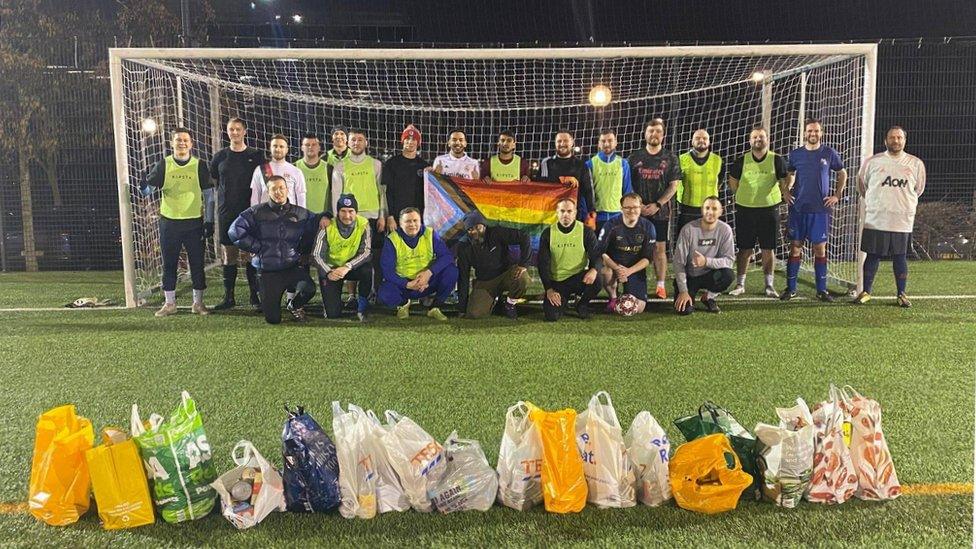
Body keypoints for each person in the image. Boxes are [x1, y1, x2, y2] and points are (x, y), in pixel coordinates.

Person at [141, 128, 213, 317]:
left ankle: (198, 303)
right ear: (172, 143)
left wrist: (209, 220)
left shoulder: (200, 165)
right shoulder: (164, 165)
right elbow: (147, 191)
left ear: (191, 144)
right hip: (169, 223)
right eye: (178, 140)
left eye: (185, 140)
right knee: (169, 264)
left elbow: (209, 195)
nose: (182, 143)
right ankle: (170, 303)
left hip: (194, 223)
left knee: (197, 264)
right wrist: (144, 184)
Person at [229, 175, 319, 324]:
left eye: (281, 188)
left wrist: (326, 217)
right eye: (274, 189)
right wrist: (257, 247)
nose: (278, 192)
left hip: (292, 267)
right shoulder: (256, 212)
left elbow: (317, 221)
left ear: (287, 189)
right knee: (273, 319)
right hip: (268, 271)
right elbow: (234, 231)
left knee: (309, 288)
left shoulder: (301, 213)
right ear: (268, 191)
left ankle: (294, 305)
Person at [853, 126, 926, 307]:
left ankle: (901, 293)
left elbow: (919, 190)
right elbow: (862, 186)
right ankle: (866, 291)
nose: (896, 141)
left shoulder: (915, 163)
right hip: (877, 219)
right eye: (892, 137)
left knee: (900, 257)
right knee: (873, 255)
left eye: (899, 137)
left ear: (904, 140)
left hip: (901, 220)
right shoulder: (873, 162)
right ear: (885, 140)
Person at [781, 119, 848, 302]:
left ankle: (821, 290)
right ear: (805, 133)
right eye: (810, 131)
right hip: (798, 209)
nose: (813, 134)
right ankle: (791, 289)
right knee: (795, 248)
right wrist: (785, 191)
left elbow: (842, 173)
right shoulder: (795, 155)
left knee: (820, 249)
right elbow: (788, 174)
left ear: (821, 133)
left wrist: (837, 195)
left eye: (816, 131)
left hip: (820, 210)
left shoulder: (828, 153)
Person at [209, 118, 266, 311]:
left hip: (250, 213)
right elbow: (215, 181)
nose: (234, 132)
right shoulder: (219, 157)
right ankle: (229, 297)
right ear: (227, 131)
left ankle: (254, 296)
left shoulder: (256, 156)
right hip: (226, 212)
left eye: (238, 129)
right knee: (228, 254)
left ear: (245, 131)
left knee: (251, 253)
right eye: (231, 129)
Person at [727, 125, 789, 298]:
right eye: (754, 137)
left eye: (761, 136)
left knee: (768, 248)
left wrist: (785, 190)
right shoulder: (741, 161)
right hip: (745, 210)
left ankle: (769, 285)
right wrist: (741, 195)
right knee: (744, 248)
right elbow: (733, 181)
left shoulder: (776, 160)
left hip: (769, 210)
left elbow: (786, 178)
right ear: (750, 140)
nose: (758, 139)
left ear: (767, 139)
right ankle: (740, 284)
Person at [628, 117, 683, 299]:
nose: (654, 134)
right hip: (637, 212)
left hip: (660, 212)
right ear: (645, 134)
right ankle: (636, 283)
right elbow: (629, 184)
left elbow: (673, 186)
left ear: (663, 135)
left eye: (658, 131)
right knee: (636, 247)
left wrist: (658, 204)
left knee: (660, 248)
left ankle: (660, 286)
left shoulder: (670, 158)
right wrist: (639, 205)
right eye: (651, 131)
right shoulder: (635, 157)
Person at [331, 129, 387, 297]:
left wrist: (382, 215)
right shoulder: (340, 166)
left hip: (373, 218)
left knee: (376, 258)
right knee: (351, 257)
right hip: (350, 220)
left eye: (360, 140)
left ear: (366, 143)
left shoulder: (376, 164)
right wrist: (337, 220)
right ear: (348, 143)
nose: (356, 143)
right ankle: (352, 296)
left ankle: (375, 292)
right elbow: (336, 194)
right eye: (353, 140)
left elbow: (382, 192)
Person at [378, 207, 458, 321]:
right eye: (408, 221)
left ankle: (435, 307)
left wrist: (429, 273)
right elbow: (387, 271)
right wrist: (407, 284)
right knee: (384, 293)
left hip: (427, 282)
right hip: (405, 285)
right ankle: (404, 304)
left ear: (421, 221)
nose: (412, 224)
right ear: (400, 224)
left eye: (415, 221)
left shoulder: (430, 234)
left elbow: (447, 256)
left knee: (452, 271)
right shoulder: (392, 239)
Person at [455, 210, 531, 319]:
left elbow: (524, 236)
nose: (474, 231)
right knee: (474, 314)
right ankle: (496, 302)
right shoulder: (464, 246)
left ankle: (509, 304)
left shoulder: (496, 232)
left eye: (478, 227)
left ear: (484, 226)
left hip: (505, 274)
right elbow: (463, 276)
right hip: (484, 281)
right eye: (470, 229)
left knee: (523, 279)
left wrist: (524, 264)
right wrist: (462, 308)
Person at [537, 198, 602, 321]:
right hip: (557, 283)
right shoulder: (548, 233)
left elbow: (597, 257)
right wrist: (549, 289)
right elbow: (542, 264)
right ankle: (563, 301)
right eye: (562, 211)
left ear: (575, 213)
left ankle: (582, 304)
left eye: (569, 211)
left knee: (598, 278)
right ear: (557, 212)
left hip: (578, 278)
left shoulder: (586, 231)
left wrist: (594, 269)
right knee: (552, 316)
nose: (565, 214)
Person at [313, 194, 373, 321]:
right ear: (337, 212)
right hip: (332, 269)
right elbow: (316, 255)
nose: (347, 216)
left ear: (356, 212)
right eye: (343, 211)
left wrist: (347, 266)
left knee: (367, 270)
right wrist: (328, 271)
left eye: (351, 211)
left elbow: (366, 252)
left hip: (351, 268)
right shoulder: (327, 225)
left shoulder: (363, 224)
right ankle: (334, 302)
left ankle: (362, 308)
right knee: (332, 314)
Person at [672, 196, 735, 314]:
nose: (710, 212)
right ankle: (687, 294)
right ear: (702, 210)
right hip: (689, 276)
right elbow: (678, 263)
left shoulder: (725, 230)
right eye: (707, 208)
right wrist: (683, 291)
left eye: (714, 209)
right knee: (685, 310)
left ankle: (709, 297)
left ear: (721, 211)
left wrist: (706, 261)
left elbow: (729, 261)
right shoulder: (688, 229)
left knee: (728, 275)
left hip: (709, 274)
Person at [598, 193, 656, 315]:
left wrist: (629, 271)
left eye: (635, 207)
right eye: (627, 207)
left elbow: (647, 258)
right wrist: (617, 268)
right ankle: (613, 297)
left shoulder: (648, 227)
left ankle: (626, 295)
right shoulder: (611, 225)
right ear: (621, 209)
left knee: (638, 308)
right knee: (605, 271)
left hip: (634, 268)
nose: (632, 210)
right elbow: (601, 252)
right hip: (613, 266)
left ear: (640, 207)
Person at [539, 130, 597, 228]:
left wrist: (592, 213)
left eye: (565, 141)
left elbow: (588, 191)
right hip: (550, 216)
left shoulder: (581, 165)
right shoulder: (546, 163)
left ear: (572, 142)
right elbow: (541, 187)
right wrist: (561, 180)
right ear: (555, 143)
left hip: (574, 216)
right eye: (559, 141)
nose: (562, 144)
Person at [383, 124, 430, 232]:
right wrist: (389, 216)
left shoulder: (423, 166)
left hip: (416, 218)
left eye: (414, 139)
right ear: (402, 141)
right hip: (396, 217)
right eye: (407, 139)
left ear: (418, 143)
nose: (410, 142)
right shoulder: (391, 163)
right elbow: (387, 192)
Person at [586, 129, 633, 234]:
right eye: (603, 141)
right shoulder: (590, 164)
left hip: (617, 217)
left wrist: (627, 215)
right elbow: (586, 193)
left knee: (616, 250)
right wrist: (588, 215)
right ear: (599, 144)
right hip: (597, 217)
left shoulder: (623, 164)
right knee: (596, 250)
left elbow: (627, 191)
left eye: (610, 140)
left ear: (616, 142)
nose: (606, 144)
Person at [677, 129, 723, 231]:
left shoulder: (717, 160)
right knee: (686, 241)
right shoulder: (681, 159)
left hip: (710, 209)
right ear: (692, 142)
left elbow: (720, 181)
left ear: (709, 142)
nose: (701, 140)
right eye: (697, 138)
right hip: (688, 209)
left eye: (704, 138)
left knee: (709, 242)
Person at [249, 134, 307, 208]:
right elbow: (255, 197)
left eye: (281, 146)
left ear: (287, 150)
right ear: (270, 148)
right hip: (265, 217)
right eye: (275, 146)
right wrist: (254, 216)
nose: (278, 149)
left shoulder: (296, 171)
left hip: (289, 217)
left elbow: (301, 198)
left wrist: (302, 217)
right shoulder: (260, 170)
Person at [295, 133, 330, 214]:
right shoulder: (294, 168)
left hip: (323, 218)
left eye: (314, 144)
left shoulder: (329, 168)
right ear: (302, 148)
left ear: (319, 147)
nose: (310, 147)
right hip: (301, 217)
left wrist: (329, 215)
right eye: (307, 145)